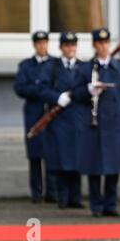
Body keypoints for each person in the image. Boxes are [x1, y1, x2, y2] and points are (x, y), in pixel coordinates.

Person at [72, 28, 120, 217]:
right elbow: (75, 94)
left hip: (115, 123)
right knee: (94, 166)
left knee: (113, 166)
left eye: (106, 43)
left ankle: (111, 204)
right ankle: (96, 205)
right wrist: (88, 90)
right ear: (94, 45)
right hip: (93, 123)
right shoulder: (85, 69)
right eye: (100, 43)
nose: (103, 46)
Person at [39, 31, 84, 209]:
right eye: (67, 45)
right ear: (61, 48)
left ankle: (76, 197)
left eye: (73, 45)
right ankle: (63, 197)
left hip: (78, 119)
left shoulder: (83, 67)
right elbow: (41, 89)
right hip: (60, 119)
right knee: (61, 160)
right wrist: (56, 97)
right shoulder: (52, 67)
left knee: (77, 159)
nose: (70, 48)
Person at [14, 31, 57, 204]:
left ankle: (52, 192)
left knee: (52, 153)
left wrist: (41, 88)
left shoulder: (55, 64)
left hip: (51, 112)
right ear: (34, 45)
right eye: (39, 43)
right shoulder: (26, 66)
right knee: (35, 154)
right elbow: (20, 88)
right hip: (33, 111)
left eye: (44, 42)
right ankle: (37, 192)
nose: (42, 46)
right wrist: (39, 89)